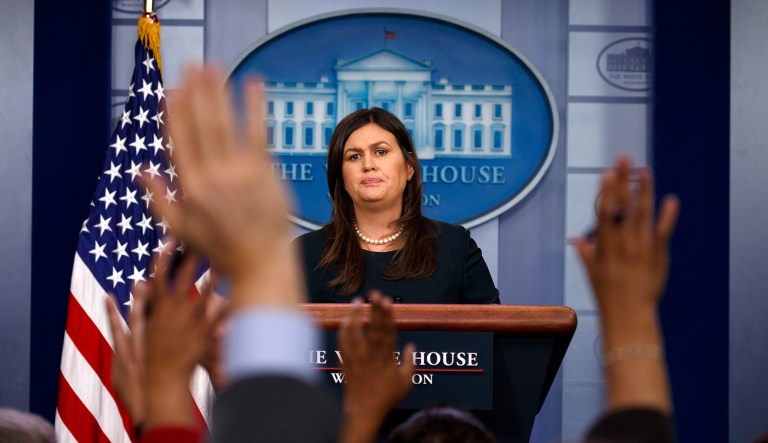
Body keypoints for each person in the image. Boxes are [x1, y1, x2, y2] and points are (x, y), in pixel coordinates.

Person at [295, 107, 499, 304]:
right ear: (341, 177)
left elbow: (495, 334)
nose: (368, 165)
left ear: (408, 167)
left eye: (381, 152)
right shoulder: (304, 253)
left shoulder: (456, 247)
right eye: (354, 156)